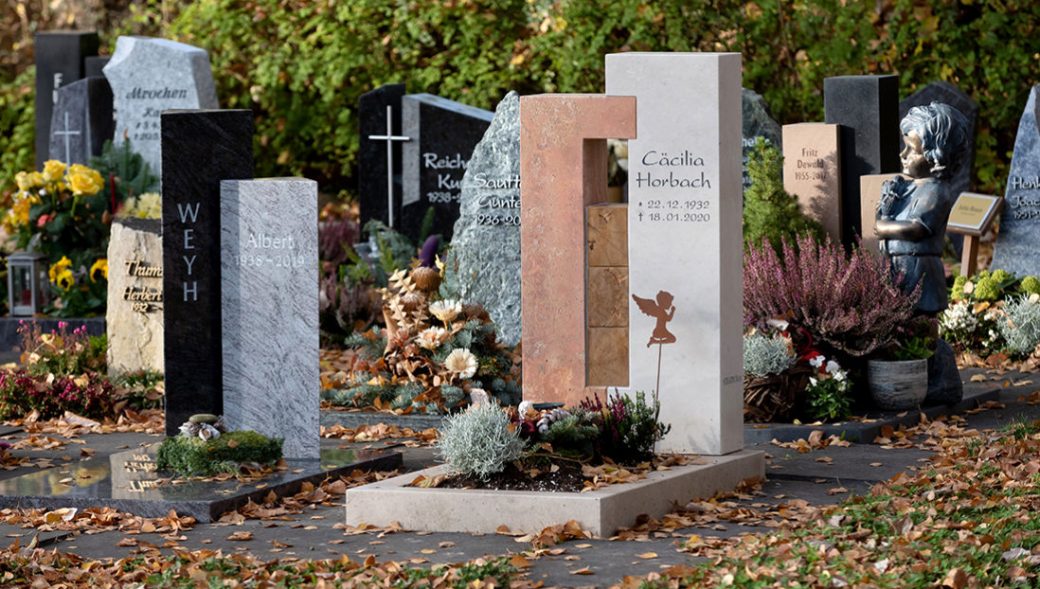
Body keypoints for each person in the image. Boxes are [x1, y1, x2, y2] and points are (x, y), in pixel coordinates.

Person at [875, 102, 968, 315]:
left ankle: (929, 347)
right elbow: (885, 214)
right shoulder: (907, 188)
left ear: (936, 157)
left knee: (921, 316)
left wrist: (882, 227)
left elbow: (916, 229)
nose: (902, 154)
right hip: (895, 264)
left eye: (912, 150)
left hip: (918, 267)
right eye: (904, 146)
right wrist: (887, 201)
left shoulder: (935, 191)